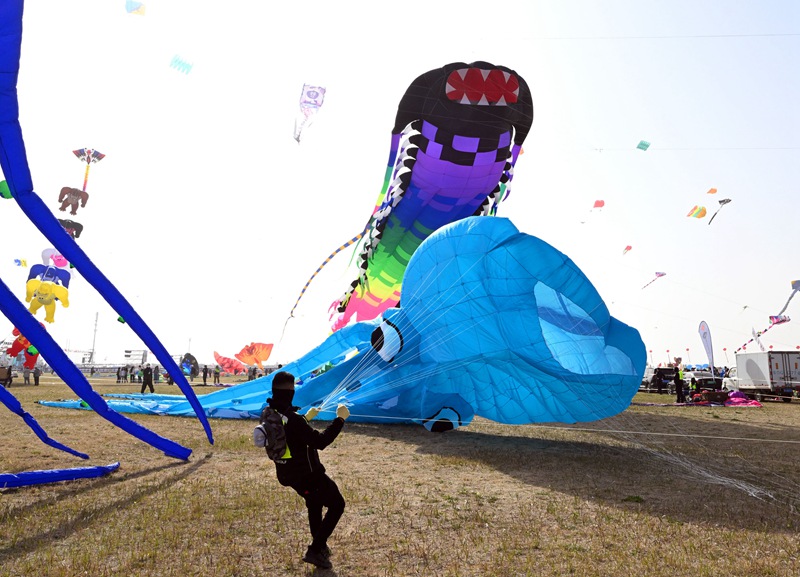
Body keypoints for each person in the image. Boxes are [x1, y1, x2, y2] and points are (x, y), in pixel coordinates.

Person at [264, 371, 349, 570]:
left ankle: (320, 546)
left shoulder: (270, 413)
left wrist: (305, 417)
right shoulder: (294, 420)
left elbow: (290, 432)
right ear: (290, 391)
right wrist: (340, 420)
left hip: (288, 474)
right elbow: (320, 442)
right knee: (337, 504)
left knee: (314, 503)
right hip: (308, 475)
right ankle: (315, 550)